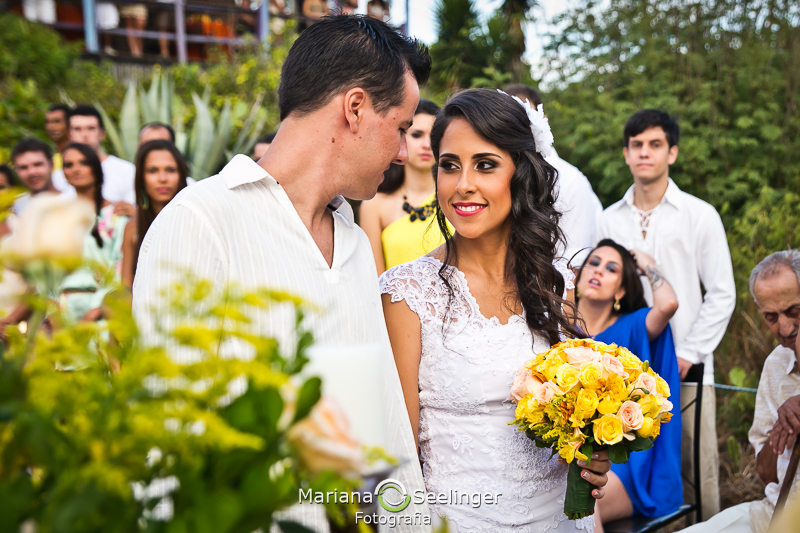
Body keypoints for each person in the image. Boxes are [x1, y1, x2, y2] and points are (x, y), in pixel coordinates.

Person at [132, 15, 432, 532]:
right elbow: (164, 435)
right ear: (355, 108)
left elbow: (383, 421)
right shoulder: (201, 220)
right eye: (401, 127)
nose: (404, 151)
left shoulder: (356, 243)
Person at [380, 89, 610, 531]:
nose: (462, 183)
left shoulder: (555, 281)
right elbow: (398, 453)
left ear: (520, 174)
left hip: (559, 519)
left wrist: (594, 457)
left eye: (485, 165)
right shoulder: (406, 294)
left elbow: (573, 415)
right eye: (449, 165)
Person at [596, 109, 736, 520]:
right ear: (625, 154)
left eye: (655, 145)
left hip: (684, 367)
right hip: (621, 376)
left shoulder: (698, 214)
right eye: (636, 145)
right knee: (625, 472)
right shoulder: (609, 218)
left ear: (671, 153)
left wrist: (689, 353)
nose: (645, 153)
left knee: (694, 470)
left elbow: (723, 293)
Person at [680, 250, 800, 533]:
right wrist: (783, 431)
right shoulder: (776, 363)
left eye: (793, 311)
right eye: (771, 316)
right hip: (775, 515)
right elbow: (767, 474)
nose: (783, 327)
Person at [574, 239, 682, 531]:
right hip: (567, 451)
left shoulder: (633, 324)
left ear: (621, 290)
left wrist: (648, 266)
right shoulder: (556, 326)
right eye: (593, 263)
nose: (598, 271)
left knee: (582, 495)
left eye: (611, 269)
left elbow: (668, 304)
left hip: (622, 463)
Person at [505, 84, 602, 265]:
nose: (516, 127)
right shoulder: (497, 173)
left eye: (525, 117)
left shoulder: (570, 181)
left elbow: (574, 262)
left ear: (542, 119)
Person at [359, 99, 445, 273]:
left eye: (433, 136)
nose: (427, 144)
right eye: (417, 135)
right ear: (400, 137)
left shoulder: (456, 196)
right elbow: (375, 282)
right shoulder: (374, 205)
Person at [57, 143, 129, 323]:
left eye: (84, 162)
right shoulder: (56, 219)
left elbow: (119, 268)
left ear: (96, 168)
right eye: (69, 164)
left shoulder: (117, 216)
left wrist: (95, 311)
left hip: (103, 310)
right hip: (61, 310)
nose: (76, 169)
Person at [121, 140, 189, 288]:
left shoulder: (195, 223)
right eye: (152, 171)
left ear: (182, 174)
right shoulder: (133, 227)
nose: (162, 179)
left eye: (170, 170)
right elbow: (126, 287)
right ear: (141, 178)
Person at [64, 105, 137, 208]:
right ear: (69, 134)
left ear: (102, 134)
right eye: (77, 129)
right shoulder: (58, 176)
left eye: (91, 128)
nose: (84, 135)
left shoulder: (127, 171)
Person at [10, 138, 60, 216]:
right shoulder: (16, 207)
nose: (32, 172)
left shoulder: (74, 199)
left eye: (38, 164)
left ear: (51, 164)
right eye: (23, 167)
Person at [45, 104, 72, 171]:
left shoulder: (78, 156)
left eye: (57, 121)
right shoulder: (51, 160)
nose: (50, 127)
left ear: (70, 124)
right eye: (47, 122)